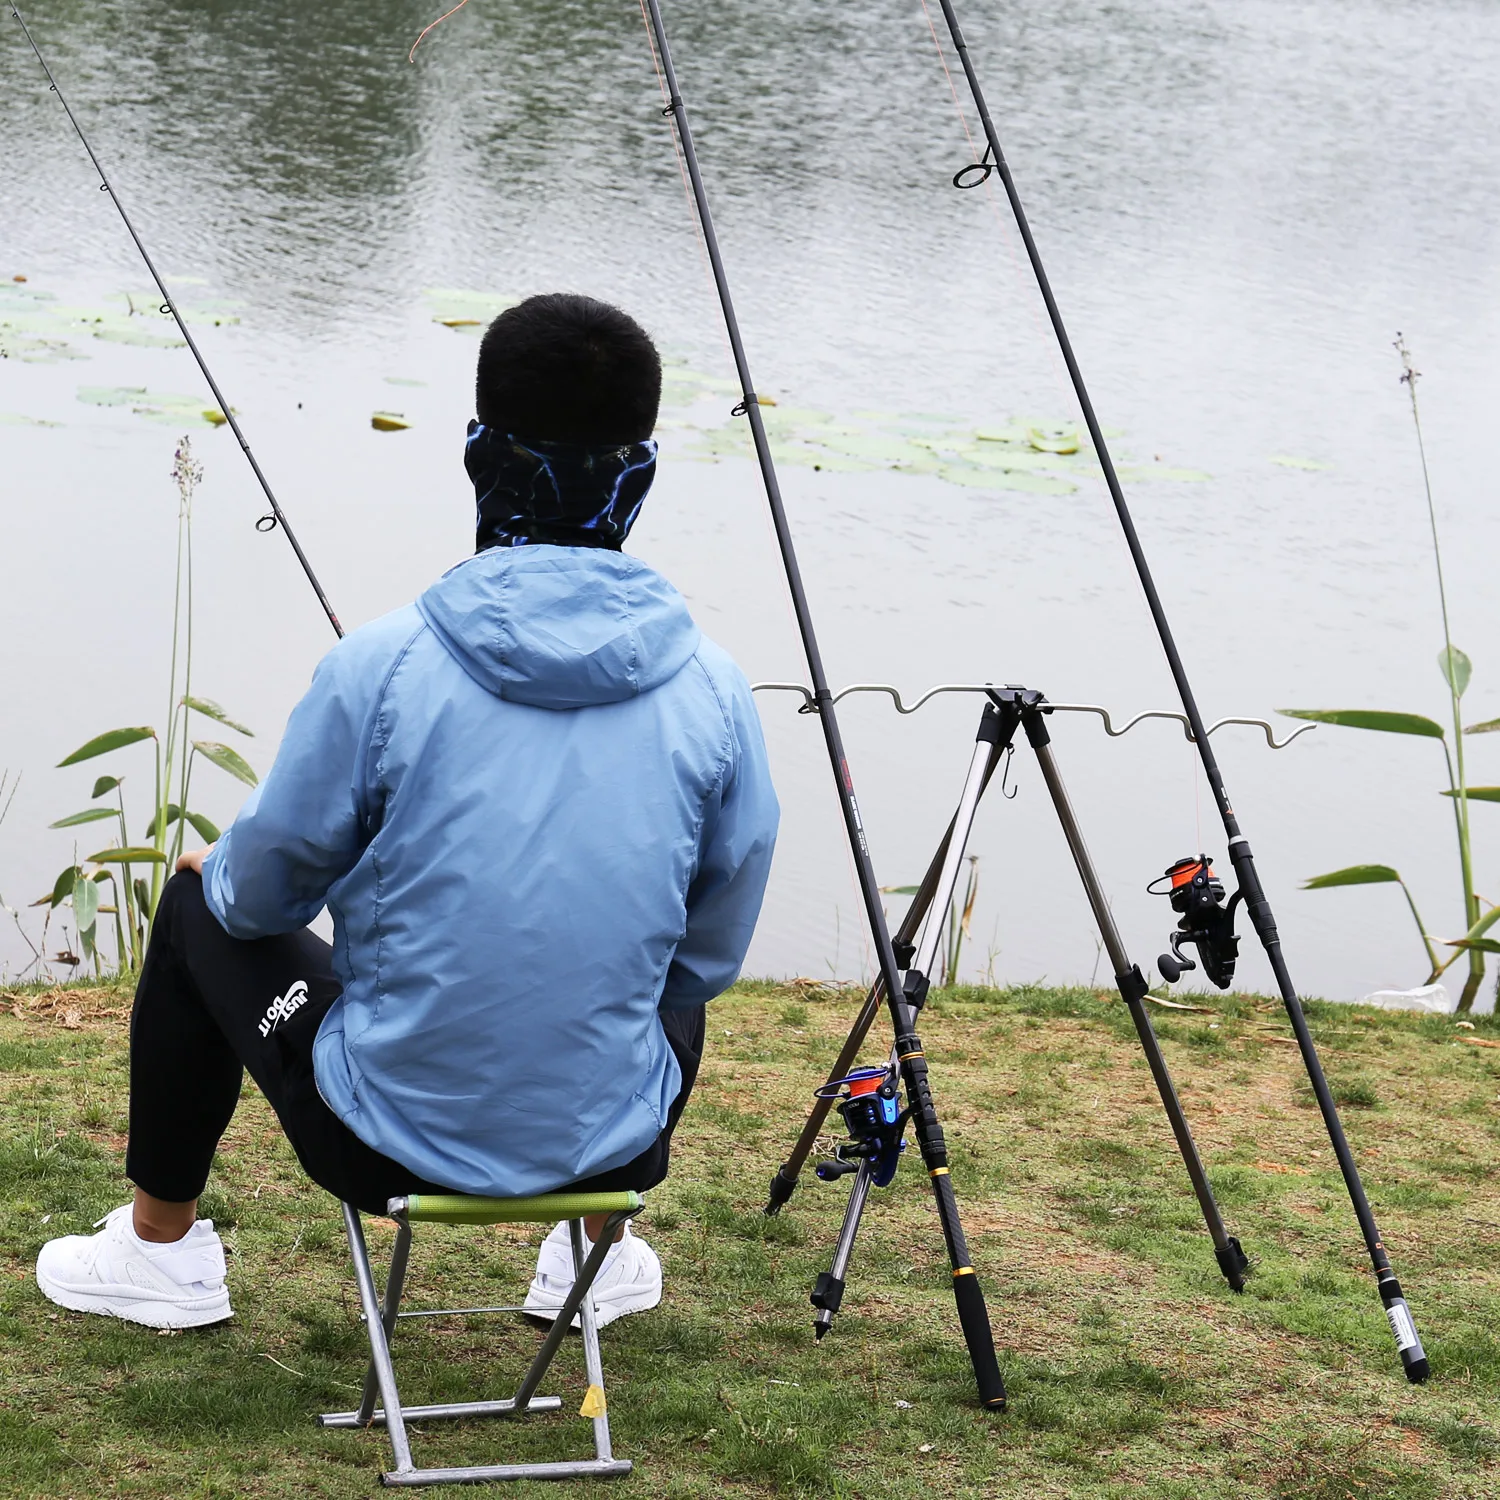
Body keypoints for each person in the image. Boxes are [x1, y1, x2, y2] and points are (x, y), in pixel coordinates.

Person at [36, 293, 779, 1331]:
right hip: (614, 1144)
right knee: (662, 977)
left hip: (377, 1141)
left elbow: (257, 901)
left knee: (198, 901)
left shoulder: (381, 668)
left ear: (481, 459)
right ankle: (592, 1256)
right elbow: (710, 956)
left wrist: (235, 873)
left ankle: (160, 1254)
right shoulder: (716, 688)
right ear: (640, 476)